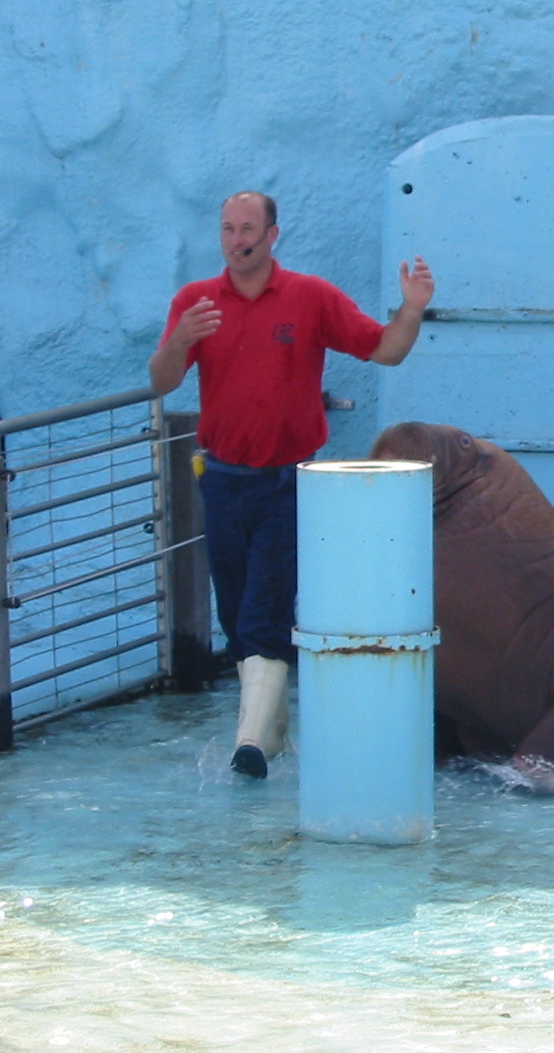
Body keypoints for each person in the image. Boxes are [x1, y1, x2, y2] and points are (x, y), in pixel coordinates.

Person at [149, 190, 435, 779]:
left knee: (264, 612)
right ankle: (273, 734)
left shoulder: (310, 297)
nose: (236, 239)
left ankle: (248, 746)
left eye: (247, 228)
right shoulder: (196, 301)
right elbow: (160, 381)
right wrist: (181, 339)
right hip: (222, 482)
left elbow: (384, 351)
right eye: (227, 229)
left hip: (288, 485)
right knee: (235, 612)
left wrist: (411, 309)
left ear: (273, 235)